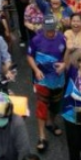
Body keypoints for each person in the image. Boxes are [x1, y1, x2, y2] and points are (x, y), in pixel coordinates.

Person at [29, 17, 70, 152]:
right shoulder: (36, 40)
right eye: (48, 30)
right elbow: (29, 56)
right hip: (42, 79)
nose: (50, 33)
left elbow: (67, 55)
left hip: (58, 79)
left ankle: (51, 122)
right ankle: (42, 136)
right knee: (42, 106)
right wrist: (36, 70)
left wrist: (64, 64)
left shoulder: (62, 39)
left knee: (56, 104)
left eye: (52, 30)